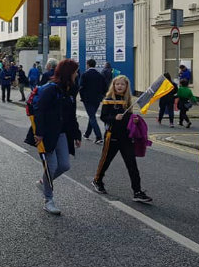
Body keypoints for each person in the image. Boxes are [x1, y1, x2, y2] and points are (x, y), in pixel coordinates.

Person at [91, 75, 152, 203]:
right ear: (113, 86)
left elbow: (128, 119)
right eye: (117, 84)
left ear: (126, 87)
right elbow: (103, 117)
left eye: (122, 84)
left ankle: (137, 191)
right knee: (105, 161)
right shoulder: (108, 100)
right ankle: (97, 180)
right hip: (111, 137)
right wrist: (114, 118)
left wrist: (134, 120)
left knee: (132, 165)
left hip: (126, 138)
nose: (119, 86)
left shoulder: (128, 101)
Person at [33, 59, 82, 215]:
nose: (77, 74)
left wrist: (76, 134)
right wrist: (39, 133)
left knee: (65, 165)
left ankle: (43, 182)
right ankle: (49, 200)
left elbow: (71, 115)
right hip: (47, 134)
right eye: (75, 71)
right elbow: (39, 110)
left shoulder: (71, 90)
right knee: (51, 166)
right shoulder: (51, 89)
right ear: (69, 73)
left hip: (62, 133)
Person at [79, 59, 108, 144]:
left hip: (87, 99)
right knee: (91, 116)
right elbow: (105, 88)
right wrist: (101, 96)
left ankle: (98, 136)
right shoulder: (100, 75)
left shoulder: (85, 75)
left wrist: (82, 97)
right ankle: (87, 134)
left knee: (92, 117)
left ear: (87, 64)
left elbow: (81, 87)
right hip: (97, 99)